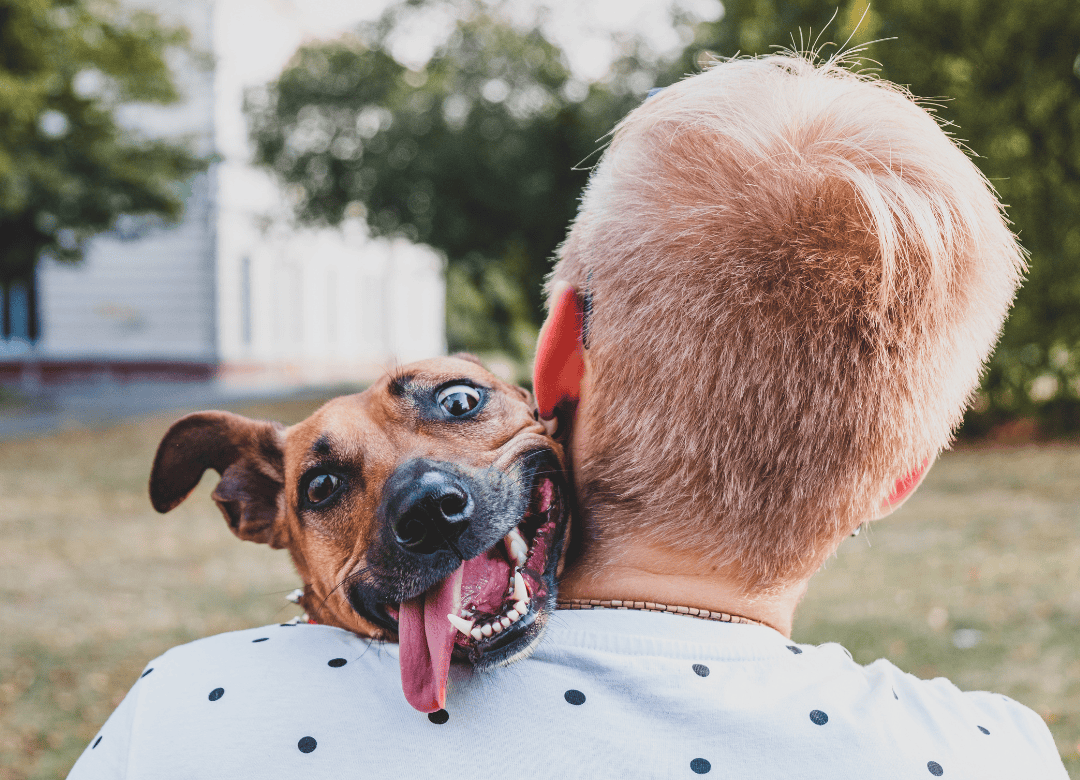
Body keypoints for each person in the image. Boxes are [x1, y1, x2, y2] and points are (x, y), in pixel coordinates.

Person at [68, 53, 1067, 778]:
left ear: (550, 363)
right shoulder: (998, 753)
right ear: (902, 476)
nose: (420, 486)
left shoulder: (188, 718)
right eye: (329, 485)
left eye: (457, 407)